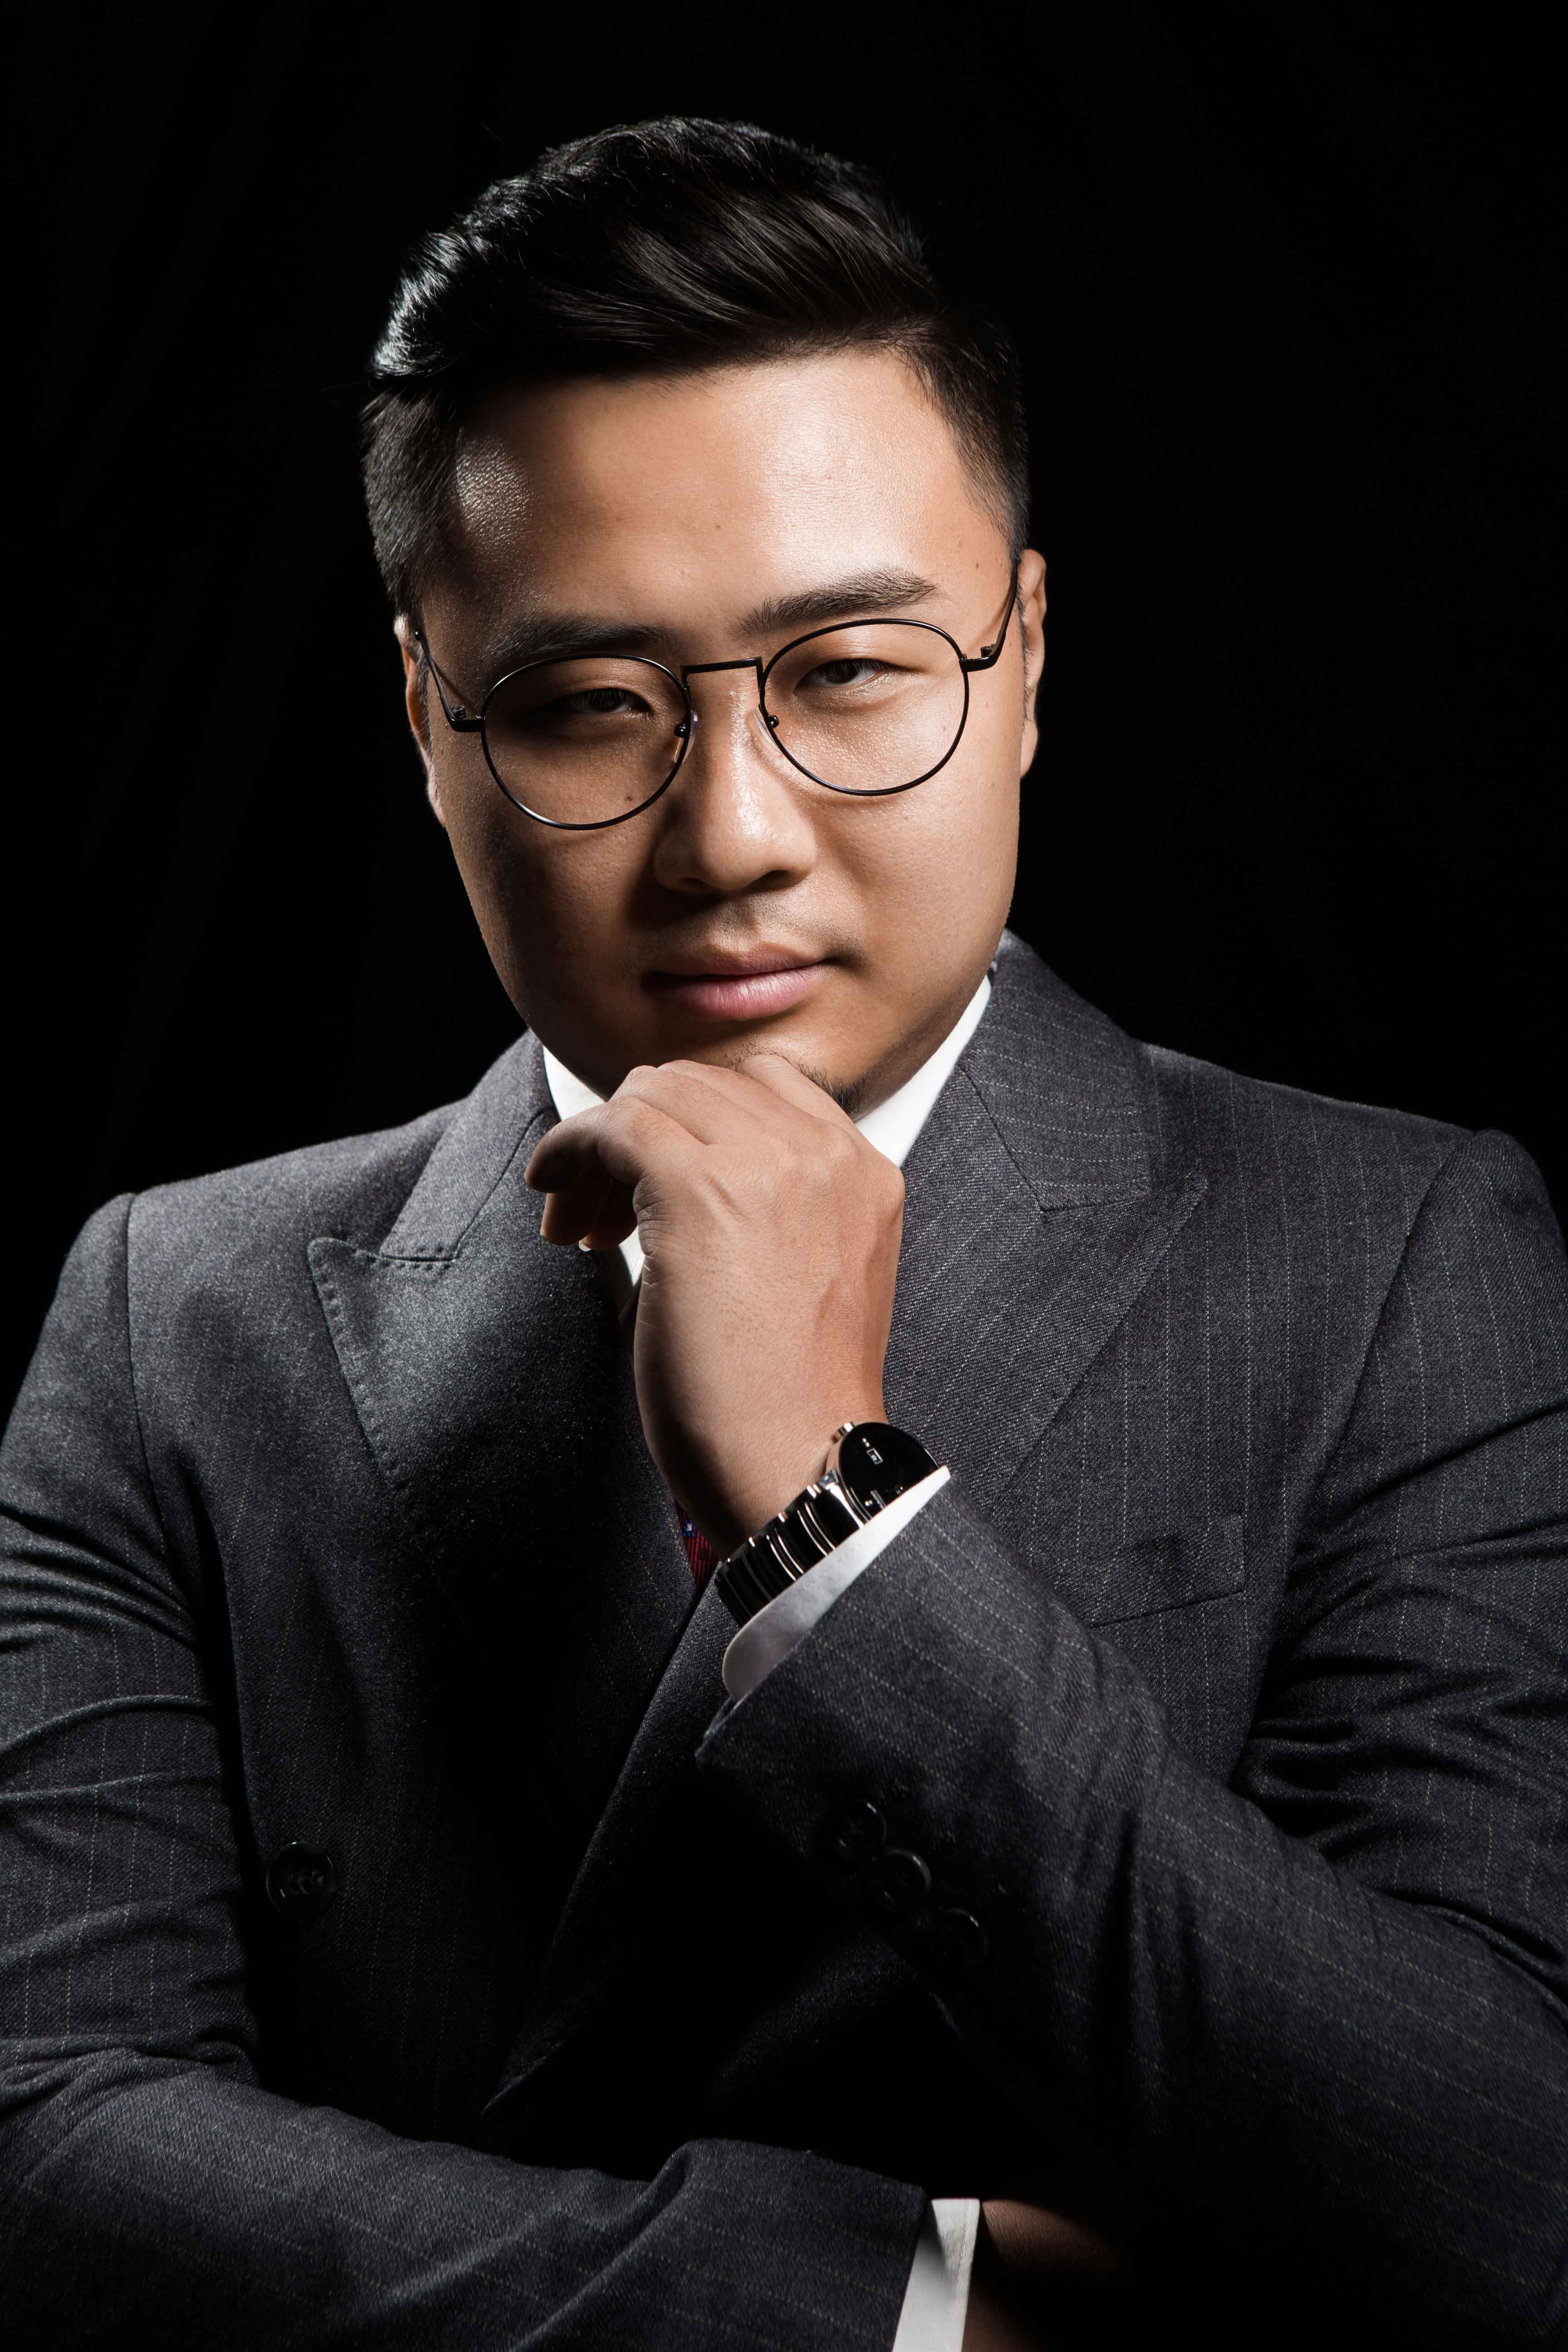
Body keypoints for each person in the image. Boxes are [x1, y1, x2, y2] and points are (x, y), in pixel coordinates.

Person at [1, 115, 1564, 2352]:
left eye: (848, 672)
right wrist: (899, 2309)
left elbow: (1498, 2191)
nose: (730, 837)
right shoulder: (175, 1317)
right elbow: (47, 2141)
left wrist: (840, 1532)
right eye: (584, 708)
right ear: (428, 725)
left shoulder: (1399, 1259)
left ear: (1024, 659)